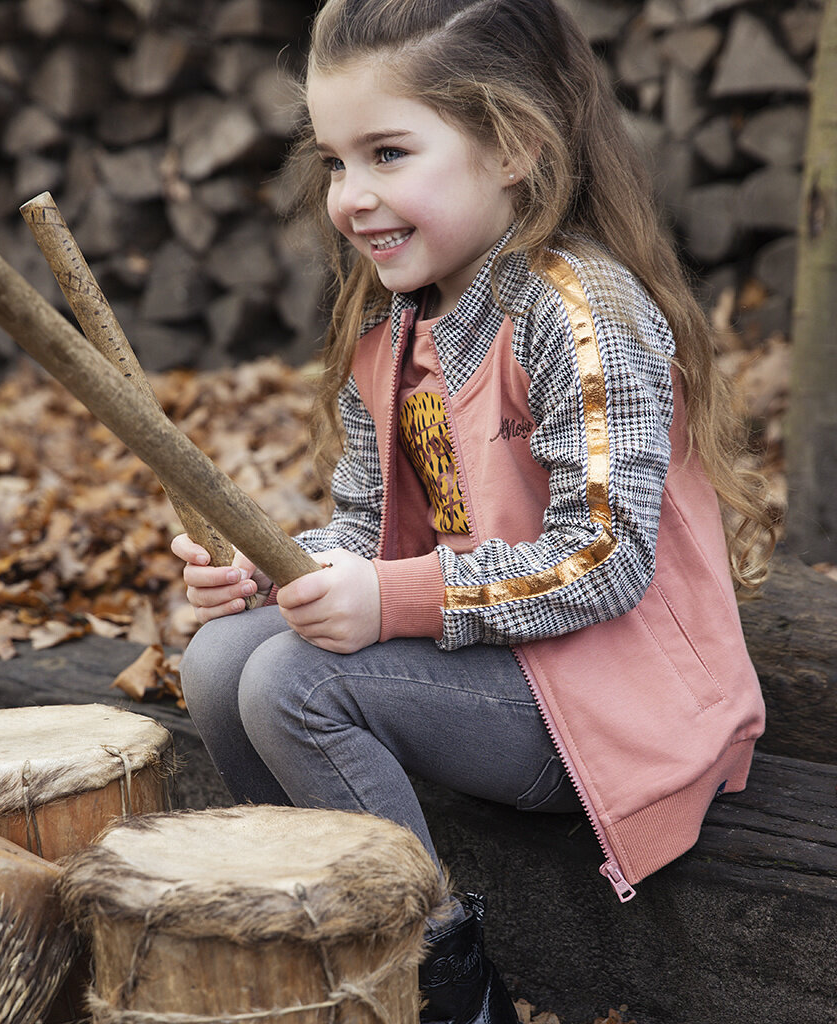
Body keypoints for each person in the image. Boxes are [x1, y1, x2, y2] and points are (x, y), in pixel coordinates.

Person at [171, 1, 776, 1021]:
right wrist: (279, 568)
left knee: (290, 684)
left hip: (612, 703)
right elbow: (366, 541)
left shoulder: (583, 308)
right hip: (494, 667)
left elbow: (603, 558)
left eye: (388, 152)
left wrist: (384, 599)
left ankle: (440, 984)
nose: (350, 197)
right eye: (334, 161)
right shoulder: (395, 321)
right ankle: (316, 930)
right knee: (222, 656)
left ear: (513, 148)